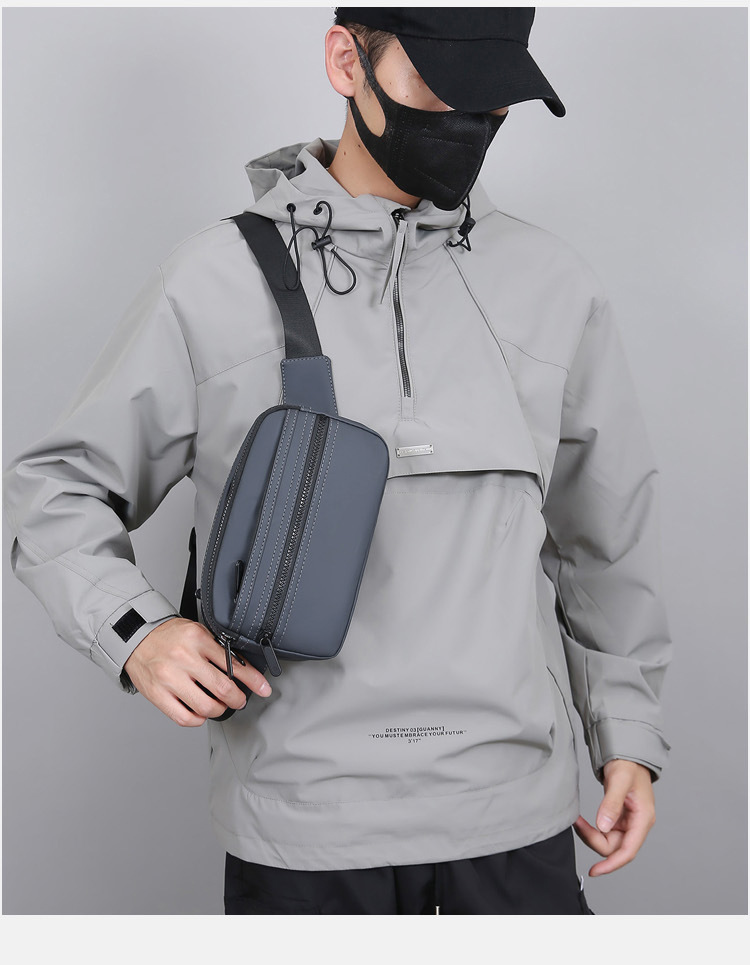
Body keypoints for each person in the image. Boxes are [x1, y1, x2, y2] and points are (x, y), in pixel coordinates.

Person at [3, 8, 672, 915]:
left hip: (513, 813)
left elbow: (605, 542)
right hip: (304, 822)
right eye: (437, 84)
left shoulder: (554, 286)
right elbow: (57, 488)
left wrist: (626, 735)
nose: (468, 119)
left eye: (491, 96)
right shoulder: (214, 281)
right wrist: (135, 631)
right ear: (346, 60)